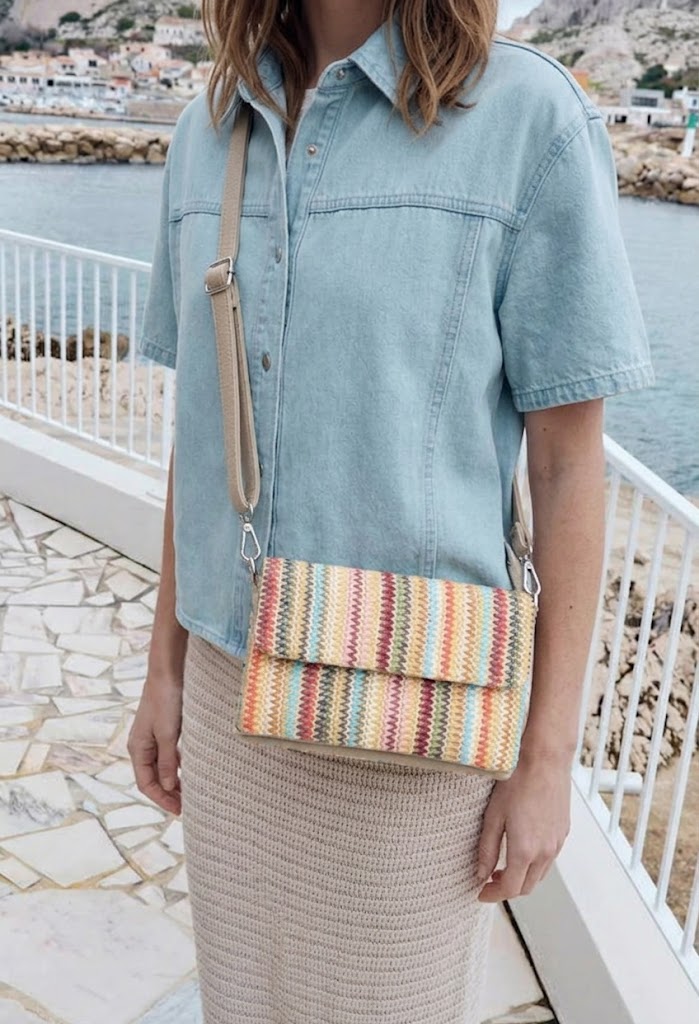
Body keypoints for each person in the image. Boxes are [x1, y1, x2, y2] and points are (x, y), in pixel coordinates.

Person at [128, 2, 655, 1022]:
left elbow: (566, 464)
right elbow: (205, 426)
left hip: (417, 717)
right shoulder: (209, 128)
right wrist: (165, 666)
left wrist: (546, 759)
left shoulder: (526, 117)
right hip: (231, 695)